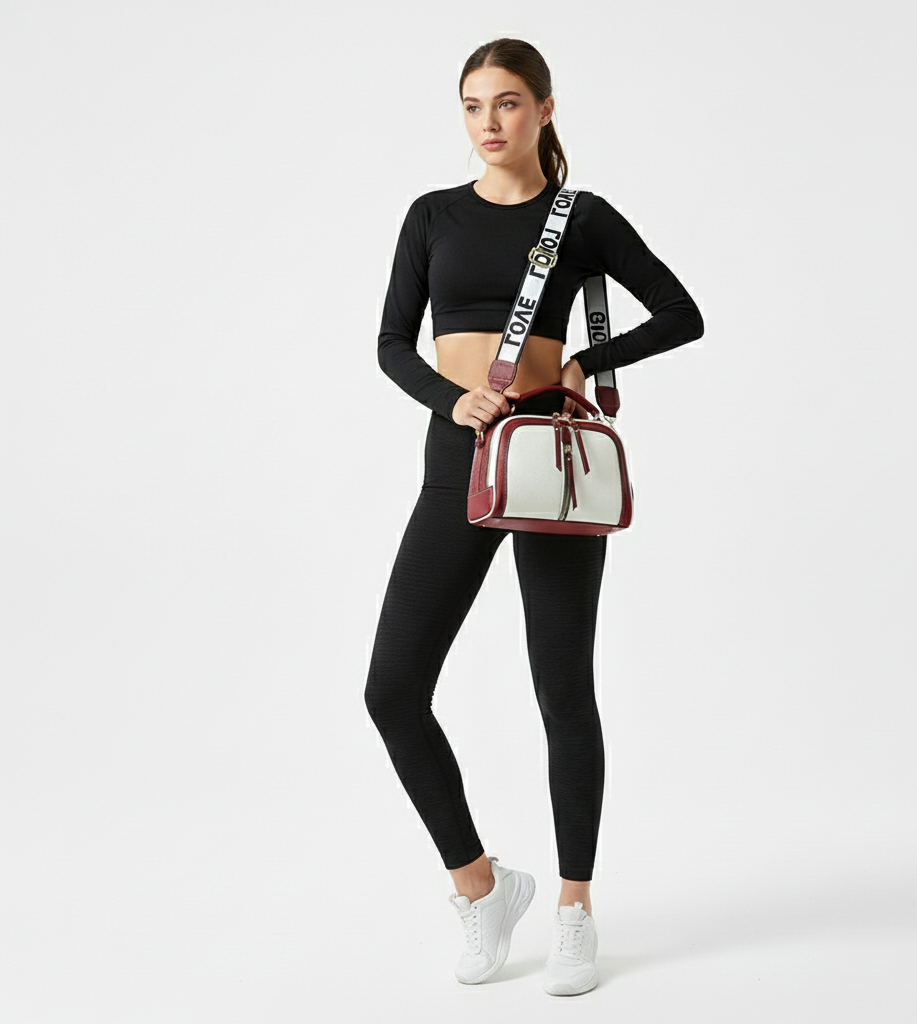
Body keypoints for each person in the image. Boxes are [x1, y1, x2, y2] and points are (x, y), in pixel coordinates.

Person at [364, 37, 703, 995]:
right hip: (456, 463)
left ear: (544, 109)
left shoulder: (579, 218)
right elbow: (390, 343)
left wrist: (590, 362)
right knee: (392, 689)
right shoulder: (431, 216)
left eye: (508, 102)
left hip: (550, 463)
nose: (489, 122)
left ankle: (573, 909)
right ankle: (481, 886)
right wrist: (450, 398)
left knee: (562, 689)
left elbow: (681, 312)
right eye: (473, 105)